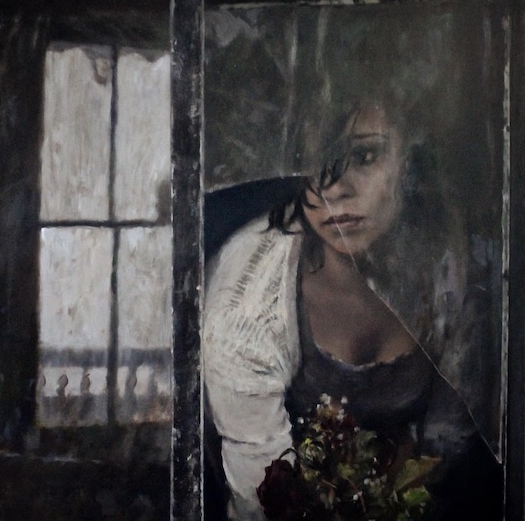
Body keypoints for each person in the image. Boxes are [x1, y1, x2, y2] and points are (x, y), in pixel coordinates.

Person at [203, 102, 501, 519]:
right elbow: (260, 491)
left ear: (408, 157)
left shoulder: (452, 264)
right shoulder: (250, 284)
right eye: (312, 164)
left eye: (364, 156)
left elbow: (452, 454)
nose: (335, 189)